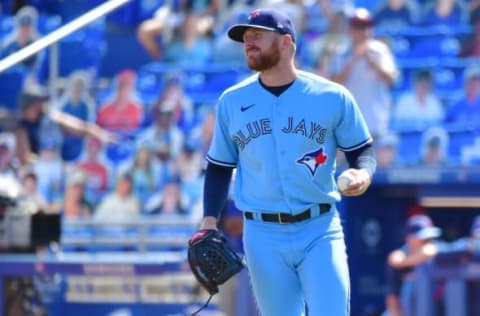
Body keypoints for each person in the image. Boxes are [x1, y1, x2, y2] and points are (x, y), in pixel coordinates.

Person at [194, 8, 376, 316]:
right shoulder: (232, 101)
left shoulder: (331, 96)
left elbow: (362, 151)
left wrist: (363, 173)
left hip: (319, 228)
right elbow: (219, 167)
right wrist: (209, 220)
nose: (249, 43)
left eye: (257, 36)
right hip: (262, 235)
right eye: (245, 38)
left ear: (286, 42)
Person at [331, 7, 398, 140]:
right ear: (351, 29)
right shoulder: (341, 53)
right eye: (358, 26)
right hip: (349, 126)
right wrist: (354, 58)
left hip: (376, 124)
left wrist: (369, 58)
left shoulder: (380, 51)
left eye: (366, 26)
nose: (362, 31)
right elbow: (334, 86)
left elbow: (391, 80)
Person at [385, 214, 441, 316]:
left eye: (429, 237)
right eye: (423, 237)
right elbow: (392, 298)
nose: (426, 241)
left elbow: (429, 251)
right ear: (409, 238)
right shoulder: (401, 254)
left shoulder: (434, 250)